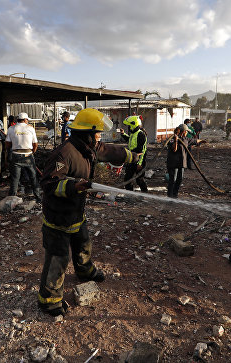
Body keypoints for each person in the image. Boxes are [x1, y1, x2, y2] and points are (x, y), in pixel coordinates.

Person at [37, 108, 139, 316]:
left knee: (83, 244)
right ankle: (49, 300)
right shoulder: (64, 154)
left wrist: (132, 156)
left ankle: (85, 271)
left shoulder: (88, 147)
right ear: (86, 133)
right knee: (58, 258)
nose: (99, 137)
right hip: (58, 217)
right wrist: (74, 186)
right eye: (97, 133)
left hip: (76, 212)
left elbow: (110, 151)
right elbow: (48, 184)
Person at [5, 112, 41, 201]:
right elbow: (35, 144)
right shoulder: (30, 128)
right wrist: (32, 152)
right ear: (25, 120)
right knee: (33, 177)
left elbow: (7, 144)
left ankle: (11, 199)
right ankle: (38, 196)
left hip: (16, 155)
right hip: (28, 155)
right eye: (27, 119)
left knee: (15, 179)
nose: (27, 121)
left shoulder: (11, 128)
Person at [118, 115, 148, 192]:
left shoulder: (141, 134)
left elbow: (143, 150)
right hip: (132, 158)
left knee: (139, 180)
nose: (129, 127)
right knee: (127, 179)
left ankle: (145, 194)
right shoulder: (133, 133)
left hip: (138, 160)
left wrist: (140, 163)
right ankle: (130, 195)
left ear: (134, 124)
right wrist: (123, 134)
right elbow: (129, 140)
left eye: (129, 125)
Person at [167, 124, 188, 198]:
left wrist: (201, 141)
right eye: (186, 131)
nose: (187, 133)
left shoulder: (185, 139)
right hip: (173, 163)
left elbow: (194, 141)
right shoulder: (172, 139)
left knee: (179, 179)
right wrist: (176, 140)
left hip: (181, 163)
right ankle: (170, 195)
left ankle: (175, 194)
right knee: (173, 180)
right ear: (183, 131)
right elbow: (174, 149)